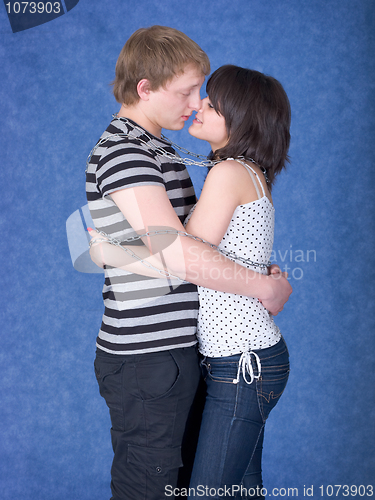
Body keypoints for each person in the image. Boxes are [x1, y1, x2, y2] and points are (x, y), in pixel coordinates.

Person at [86, 26, 292, 500]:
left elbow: (196, 246)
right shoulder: (126, 152)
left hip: (198, 354)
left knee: (208, 487)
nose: (196, 102)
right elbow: (176, 252)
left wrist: (109, 250)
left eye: (206, 95)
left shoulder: (166, 151)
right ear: (146, 88)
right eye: (187, 91)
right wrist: (261, 286)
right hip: (149, 357)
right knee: (153, 488)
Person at [183, 65, 291, 499]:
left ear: (240, 119)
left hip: (242, 365)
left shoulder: (230, 172)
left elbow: (186, 254)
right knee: (243, 491)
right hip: (244, 360)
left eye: (211, 104)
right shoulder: (247, 173)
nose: (199, 107)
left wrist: (126, 235)